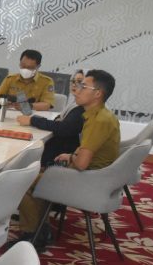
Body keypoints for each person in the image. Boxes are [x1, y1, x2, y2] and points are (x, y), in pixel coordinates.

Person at [15, 69, 120, 250]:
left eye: (83, 86)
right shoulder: (99, 114)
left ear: (97, 93)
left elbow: (82, 163)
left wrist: (73, 158)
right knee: (37, 174)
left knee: (23, 181)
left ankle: (33, 237)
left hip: (89, 180)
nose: (77, 90)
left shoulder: (98, 121)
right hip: (97, 176)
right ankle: (42, 229)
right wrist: (71, 156)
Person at [16, 70, 85, 167]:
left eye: (79, 81)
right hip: (61, 148)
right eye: (73, 81)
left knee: (25, 151)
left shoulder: (83, 108)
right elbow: (60, 120)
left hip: (62, 155)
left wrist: (32, 120)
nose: (74, 84)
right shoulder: (74, 104)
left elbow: (63, 127)